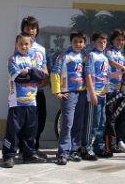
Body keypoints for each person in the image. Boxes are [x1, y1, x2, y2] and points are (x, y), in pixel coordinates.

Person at [2, 33, 47, 168]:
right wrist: (31, 75)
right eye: (21, 43)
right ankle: (9, 156)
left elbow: (41, 76)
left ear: (30, 45)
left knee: (30, 130)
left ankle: (28, 154)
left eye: (26, 44)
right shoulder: (12, 59)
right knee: (13, 130)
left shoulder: (33, 59)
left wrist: (28, 72)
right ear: (16, 44)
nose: (23, 46)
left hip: (31, 102)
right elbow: (17, 77)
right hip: (16, 101)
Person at [50, 31, 88, 165]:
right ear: (71, 42)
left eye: (81, 42)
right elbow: (55, 72)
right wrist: (57, 91)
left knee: (78, 124)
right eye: (75, 41)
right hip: (68, 94)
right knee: (67, 124)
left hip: (81, 94)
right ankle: (62, 153)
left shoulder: (84, 57)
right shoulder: (63, 56)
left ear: (84, 43)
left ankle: (74, 151)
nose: (78, 44)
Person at [20, 16, 48, 157]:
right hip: (24, 91)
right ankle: (24, 149)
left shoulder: (41, 49)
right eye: (27, 27)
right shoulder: (21, 45)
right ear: (23, 29)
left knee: (40, 119)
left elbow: (44, 66)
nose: (30, 30)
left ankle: (34, 146)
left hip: (39, 90)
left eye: (33, 27)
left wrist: (46, 78)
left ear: (37, 30)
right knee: (24, 121)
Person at [83, 31, 112, 160]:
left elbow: (107, 75)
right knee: (92, 123)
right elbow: (88, 74)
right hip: (93, 95)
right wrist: (92, 93)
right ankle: (87, 149)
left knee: (102, 122)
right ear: (93, 42)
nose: (102, 44)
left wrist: (122, 72)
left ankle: (99, 148)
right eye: (100, 42)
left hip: (103, 94)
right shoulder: (91, 55)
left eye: (105, 42)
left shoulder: (105, 57)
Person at [105, 29, 125, 153]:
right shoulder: (108, 52)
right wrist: (123, 68)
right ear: (112, 40)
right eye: (117, 39)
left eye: (122, 40)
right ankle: (110, 145)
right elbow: (111, 62)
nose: (120, 42)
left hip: (120, 89)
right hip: (108, 88)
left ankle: (118, 141)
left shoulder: (123, 55)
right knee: (110, 118)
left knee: (123, 115)